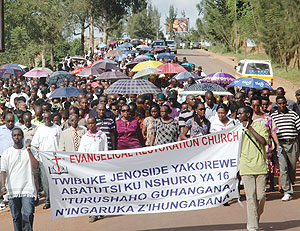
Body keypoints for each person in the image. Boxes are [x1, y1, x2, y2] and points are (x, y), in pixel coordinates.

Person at [1, 128, 39, 231]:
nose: (17, 137)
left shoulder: (30, 150)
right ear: (12, 137)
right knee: (17, 217)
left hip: (28, 189)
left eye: (19, 135)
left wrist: (29, 151)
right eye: (15, 135)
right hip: (13, 190)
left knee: (28, 213)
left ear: (22, 136)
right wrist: (3, 186)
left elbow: (36, 166)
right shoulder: (7, 153)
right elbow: (3, 171)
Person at [238, 106, 269, 231]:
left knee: (260, 196)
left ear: (248, 115)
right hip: (245, 166)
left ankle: (255, 217)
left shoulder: (260, 126)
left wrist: (249, 128)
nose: (239, 116)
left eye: (241, 114)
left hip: (260, 166)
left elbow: (263, 141)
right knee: (250, 197)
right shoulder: (237, 129)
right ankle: (253, 225)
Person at [271, 95, 300, 201]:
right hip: (280, 144)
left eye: (283, 103)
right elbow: (272, 130)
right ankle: (287, 191)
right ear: (276, 104)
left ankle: (290, 183)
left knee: (292, 167)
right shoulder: (273, 116)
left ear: (286, 103)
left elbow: (299, 128)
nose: (282, 105)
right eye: (279, 103)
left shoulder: (293, 114)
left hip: (292, 143)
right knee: (283, 168)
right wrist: (276, 143)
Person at [31, 112, 62, 209]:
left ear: (52, 117)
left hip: (56, 159)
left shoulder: (57, 128)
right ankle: (48, 200)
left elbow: (61, 143)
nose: (47, 119)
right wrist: (39, 158)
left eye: (49, 117)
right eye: (45, 118)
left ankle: (59, 200)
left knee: (57, 180)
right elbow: (34, 145)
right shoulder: (40, 129)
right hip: (44, 160)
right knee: (46, 182)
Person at [0, 111, 17, 210]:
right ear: (4, 120)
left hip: (15, 157)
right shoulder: (0, 130)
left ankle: (13, 198)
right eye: (9, 121)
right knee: (1, 178)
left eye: (12, 121)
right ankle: (2, 199)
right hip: (3, 157)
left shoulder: (17, 129)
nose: (11, 123)